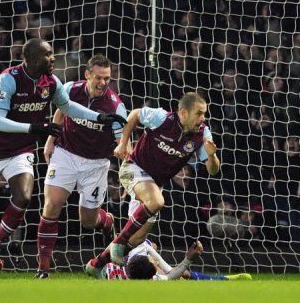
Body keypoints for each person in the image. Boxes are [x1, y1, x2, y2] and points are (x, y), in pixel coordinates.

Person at [0, 38, 127, 279]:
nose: (53, 59)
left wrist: (99, 118)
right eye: (48, 55)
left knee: (23, 197)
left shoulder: (52, 82)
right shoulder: (8, 79)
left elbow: (67, 107)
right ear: (34, 59)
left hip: (20, 151)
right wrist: (35, 128)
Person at [86, 92, 220, 275]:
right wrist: (123, 143)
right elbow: (134, 114)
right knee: (157, 202)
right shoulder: (162, 118)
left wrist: (211, 155)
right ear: (183, 113)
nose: (202, 118)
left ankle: (96, 264)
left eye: (204, 113)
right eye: (198, 113)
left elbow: (213, 170)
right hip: (133, 168)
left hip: (154, 183)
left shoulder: (203, 133)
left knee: (137, 239)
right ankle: (118, 242)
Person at [35, 54, 127, 278]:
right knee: (51, 206)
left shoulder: (116, 107)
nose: (103, 83)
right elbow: (61, 109)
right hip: (65, 154)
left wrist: (127, 175)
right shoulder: (70, 88)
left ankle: (107, 221)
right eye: (99, 78)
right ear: (87, 75)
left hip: (96, 164)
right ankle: (43, 269)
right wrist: (50, 140)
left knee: (87, 221)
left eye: (107, 79)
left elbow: (123, 145)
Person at [90, 240, 251, 281]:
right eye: (154, 264)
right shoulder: (149, 278)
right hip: (136, 263)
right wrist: (188, 259)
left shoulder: (138, 250)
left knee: (182, 274)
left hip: (134, 250)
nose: (155, 262)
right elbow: (170, 275)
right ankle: (224, 279)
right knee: (183, 275)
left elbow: (167, 270)